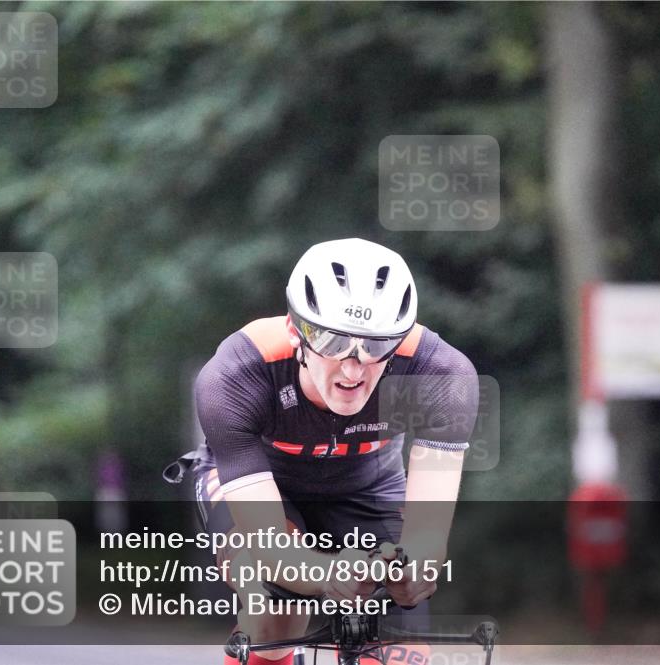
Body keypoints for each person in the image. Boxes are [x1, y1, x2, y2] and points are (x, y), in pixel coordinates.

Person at [165, 238, 479, 665]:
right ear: (296, 330)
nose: (353, 368)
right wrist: (328, 575)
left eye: (376, 345)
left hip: (367, 484)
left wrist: (413, 569)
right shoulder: (236, 375)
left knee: (395, 647)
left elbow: (428, 533)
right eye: (332, 343)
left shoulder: (440, 374)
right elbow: (269, 547)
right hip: (264, 487)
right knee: (275, 616)